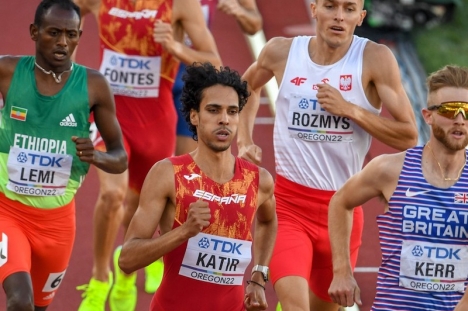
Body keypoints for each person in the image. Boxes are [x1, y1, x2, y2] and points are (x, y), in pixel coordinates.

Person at [237, 0, 419, 310]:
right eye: (330, 6)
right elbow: (245, 89)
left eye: (349, 9)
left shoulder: (374, 59)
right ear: (314, 9)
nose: (338, 16)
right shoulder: (281, 51)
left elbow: (408, 135)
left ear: (360, 17)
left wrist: (350, 110)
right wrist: (244, 139)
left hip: (343, 213)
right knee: (296, 305)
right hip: (289, 208)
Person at [73, 0, 222, 310]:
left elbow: (215, 63)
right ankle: (100, 280)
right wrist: (69, 76)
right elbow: (61, 13)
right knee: (113, 196)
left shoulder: (180, 5)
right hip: (109, 113)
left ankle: (125, 268)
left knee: (141, 206)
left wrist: (175, 47)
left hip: (155, 120)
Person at [0, 0, 128, 310]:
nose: (62, 42)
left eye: (71, 35)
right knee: (21, 301)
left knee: (40, 307)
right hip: (9, 211)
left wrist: (96, 157)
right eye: (53, 32)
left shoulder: (94, 85)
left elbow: (120, 157)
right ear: (34, 32)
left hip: (58, 223)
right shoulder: (7, 71)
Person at [119, 62, 277, 311]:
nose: (224, 119)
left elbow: (268, 221)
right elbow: (127, 259)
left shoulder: (259, 181)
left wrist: (259, 275)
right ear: (194, 116)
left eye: (232, 111)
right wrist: (184, 231)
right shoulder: (168, 174)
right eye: (213, 110)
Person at [328, 64, 468, 311]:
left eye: (466, 110)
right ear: (428, 116)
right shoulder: (390, 169)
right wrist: (341, 271)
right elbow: (340, 202)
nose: (459, 119)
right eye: (449, 110)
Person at [174, 0, 263, 156]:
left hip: (191, 77)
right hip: (153, 75)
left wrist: (239, 11)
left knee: (185, 163)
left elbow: (254, 24)